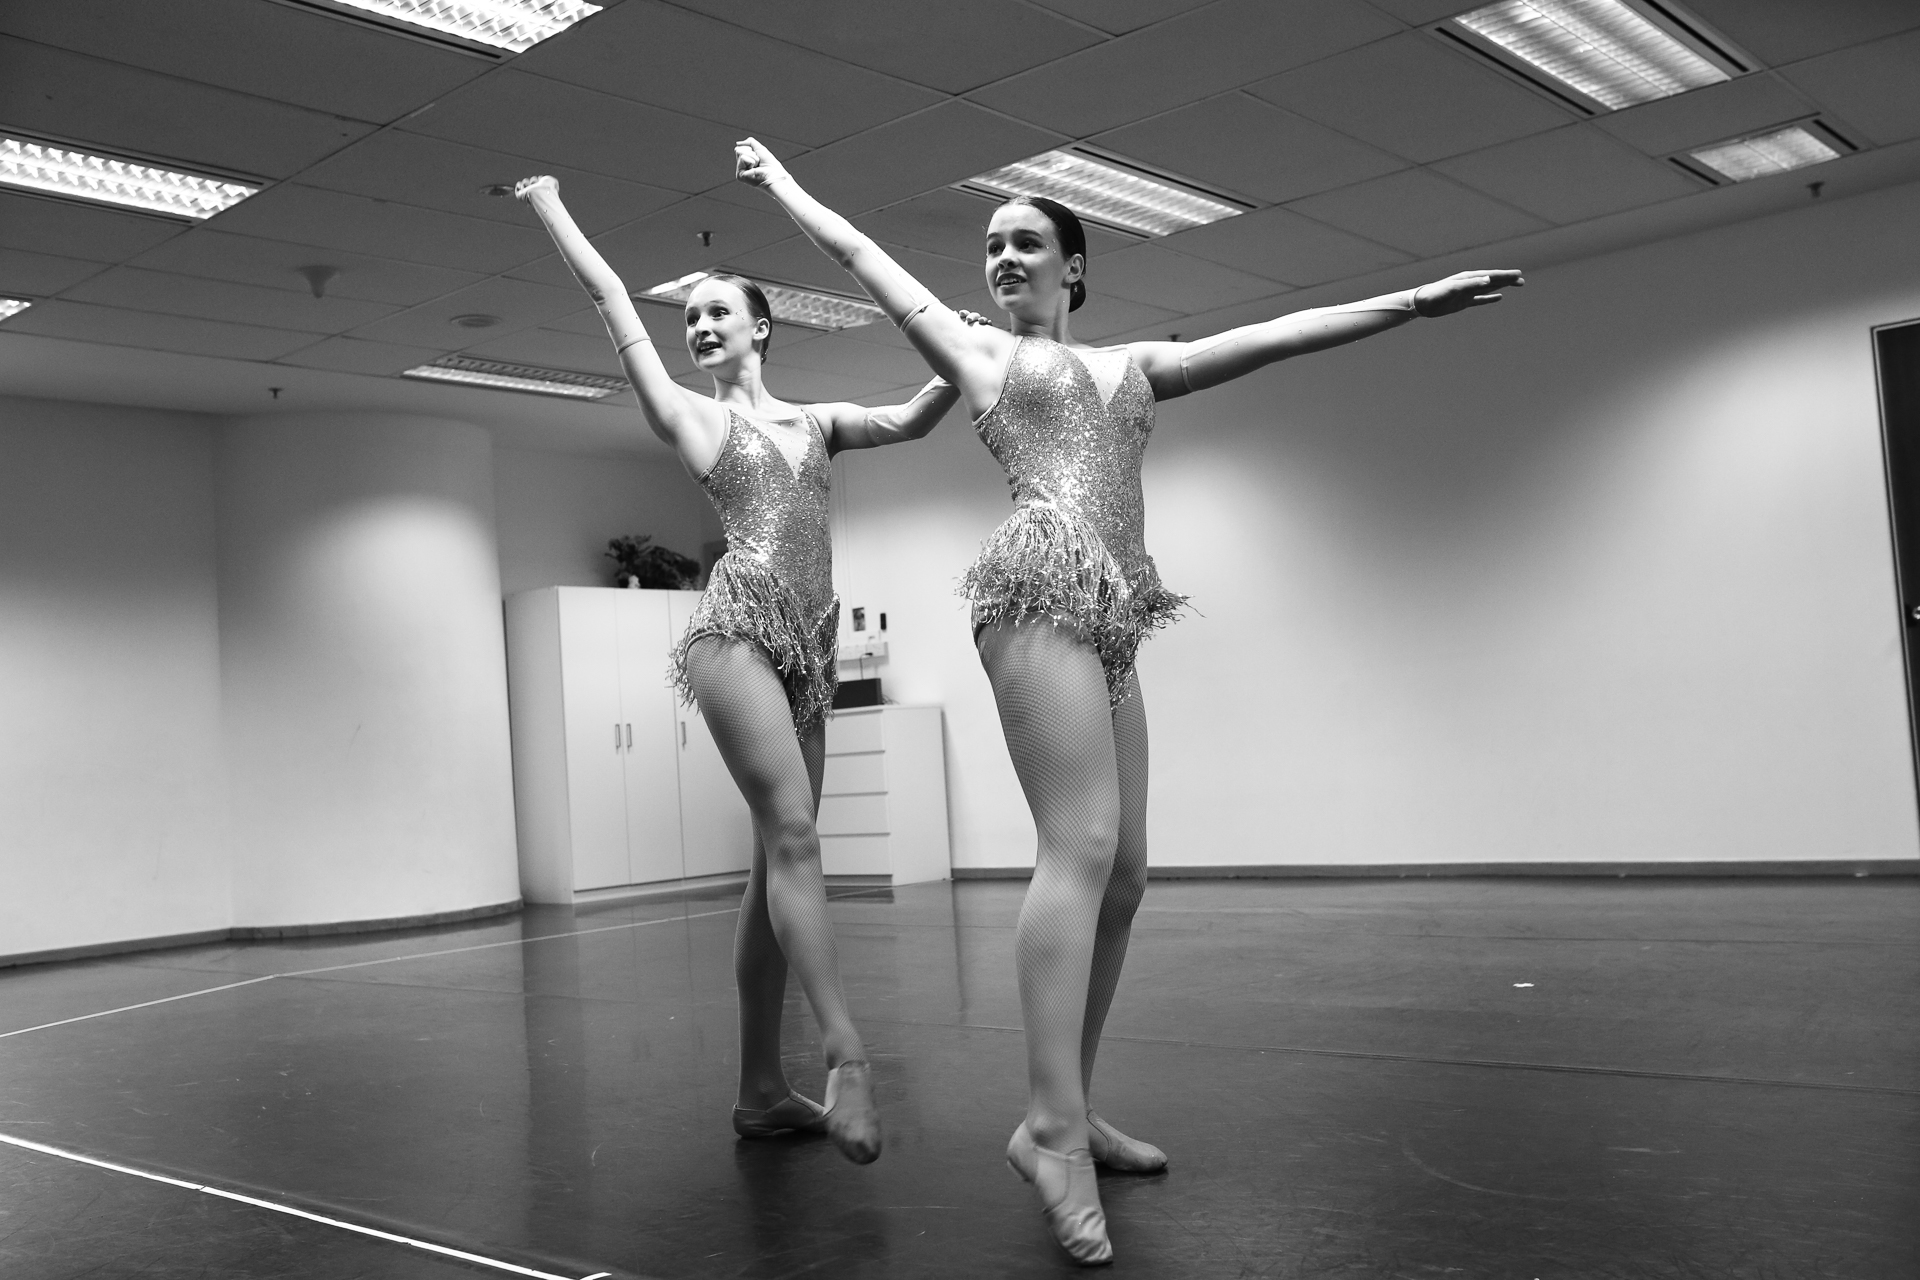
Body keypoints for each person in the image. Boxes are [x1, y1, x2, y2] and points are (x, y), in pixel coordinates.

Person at [732, 138, 1522, 1262]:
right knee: (1082, 845)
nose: (1004, 258)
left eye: (1027, 242)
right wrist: (780, 186)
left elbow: (1273, 336)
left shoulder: (1134, 367)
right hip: (1035, 592)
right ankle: (1049, 1131)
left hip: (1107, 615)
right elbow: (863, 256)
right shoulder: (980, 355)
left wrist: (1409, 302)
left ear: (1075, 268)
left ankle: (1072, 1102)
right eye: (992, 245)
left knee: (1127, 872)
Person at [515, 174, 970, 1166]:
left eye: (719, 311)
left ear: (763, 328)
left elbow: (914, 418)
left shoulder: (818, 422)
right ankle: (846, 1052)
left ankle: (760, 1090)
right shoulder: (693, 420)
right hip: (734, 636)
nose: (700, 326)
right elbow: (611, 300)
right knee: (798, 836)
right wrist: (549, 201)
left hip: (810, 651)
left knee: (774, 863)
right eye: (692, 317)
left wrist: (959, 355)